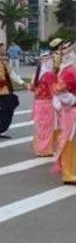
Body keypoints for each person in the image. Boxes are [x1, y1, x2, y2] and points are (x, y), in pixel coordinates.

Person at [52, 43, 76, 183]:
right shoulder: (68, 71)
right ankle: (69, 173)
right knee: (70, 141)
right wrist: (73, 100)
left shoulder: (69, 70)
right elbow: (59, 91)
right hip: (72, 111)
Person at [30, 52, 57, 157]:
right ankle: (44, 150)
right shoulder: (49, 75)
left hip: (38, 103)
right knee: (47, 127)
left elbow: (31, 88)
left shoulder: (37, 74)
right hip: (47, 103)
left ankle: (40, 148)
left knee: (41, 127)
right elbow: (55, 89)